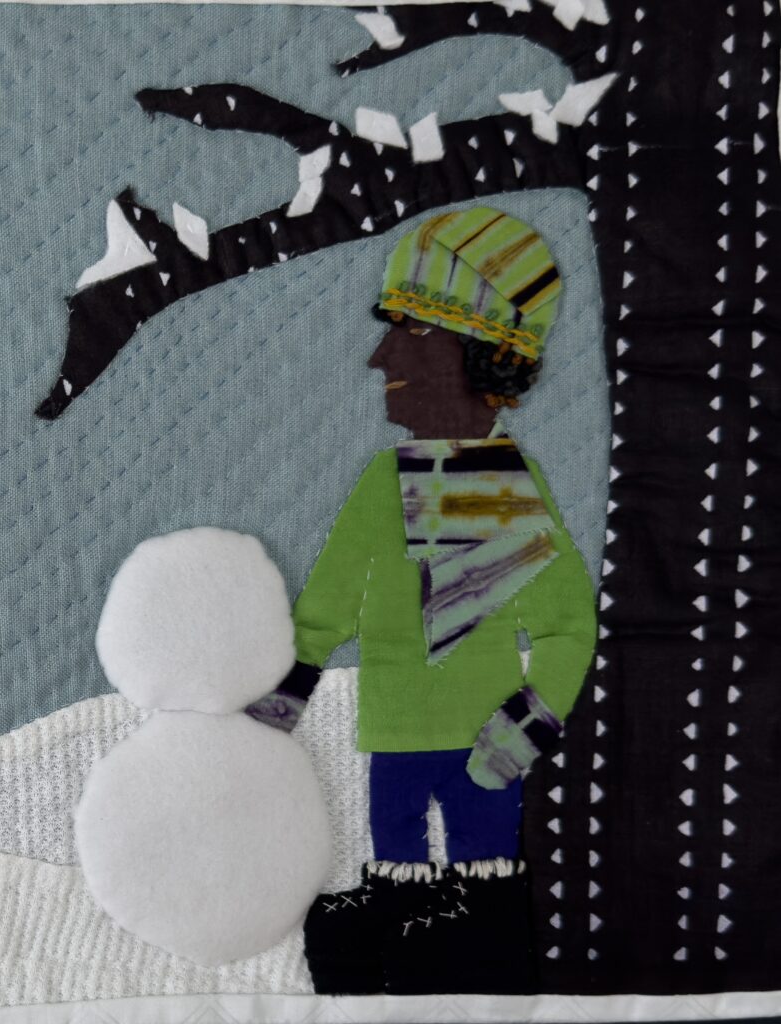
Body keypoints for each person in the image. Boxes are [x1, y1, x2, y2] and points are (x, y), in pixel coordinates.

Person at [249, 207, 597, 994]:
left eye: (411, 331)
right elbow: (325, 610)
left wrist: (522, 730)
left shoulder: (508, 491)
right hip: (396, 735)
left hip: (480, 739)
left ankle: (481, 975)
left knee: (482, 877)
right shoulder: (390, 484)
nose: (379, 357)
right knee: (398, 875)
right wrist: (273, 714)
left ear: (481, 354)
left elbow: (568, 625)